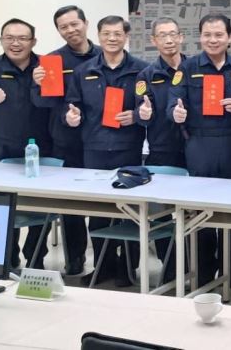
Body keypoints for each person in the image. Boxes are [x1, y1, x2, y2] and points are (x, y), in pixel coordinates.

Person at [167, 14, 231, 290]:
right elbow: (173, 100)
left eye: (219, 35)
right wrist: (176, 112)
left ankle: (230, 269)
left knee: (230, 209)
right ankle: (205, 271)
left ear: (229, 37)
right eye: (207, 34)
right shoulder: (188, 67)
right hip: (199, 143)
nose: (213, 40)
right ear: (200, 37)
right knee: (201, 210)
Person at [63, 16, 148, 287]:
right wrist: (71, 117)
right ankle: (102, 266)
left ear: (126, 37)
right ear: (98, 36)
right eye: (107, 34)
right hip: (94, 149)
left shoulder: (141, 70)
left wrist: (136, 115)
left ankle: (128, 268)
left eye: (117, 34)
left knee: (130, 212)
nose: (112, 38)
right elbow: (72, 105)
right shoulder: (84, 71)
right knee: (99, 213)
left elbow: (148, 108)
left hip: (128, 148)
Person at [0, 18, 53, 269]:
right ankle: (8, 256)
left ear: (33, 41)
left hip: (43, 148)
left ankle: (36, 258)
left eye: (22, 38)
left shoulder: (46, 65)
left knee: (42, 207)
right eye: (9, 38)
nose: (15, 43)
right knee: (3, 207)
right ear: (1, 40)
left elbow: (56, 99)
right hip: (3, 149)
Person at [31, 5, 101, 276]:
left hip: (99, 141)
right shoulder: (51, 61)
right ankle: (75, 258)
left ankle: (105, 261)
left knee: (102, 204)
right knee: (71, 205)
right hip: (66, 141)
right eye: (64, 27)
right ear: (59, 31)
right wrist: (39, 85)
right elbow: (42, 103)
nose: (70, 30)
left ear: (85, 23)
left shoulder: (105, 55)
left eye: (74, 24)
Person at [135, 17, 186, 284]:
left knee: (196, 212)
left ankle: (199, 265)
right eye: (162, 35)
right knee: (163, 213)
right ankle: (170, 266)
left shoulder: (194, 68)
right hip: (162, 148)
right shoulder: (146, 76)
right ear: (154, 40)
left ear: (181, 37)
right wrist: (142, 114)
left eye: (173, 34)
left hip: (195, 147)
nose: (168, 40)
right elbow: (140, 112)